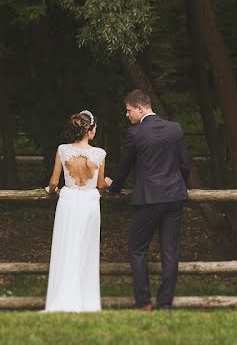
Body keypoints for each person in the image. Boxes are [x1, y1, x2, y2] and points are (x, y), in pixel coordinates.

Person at [109, 89, 191, 311]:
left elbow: (125, 167)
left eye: (128, 111)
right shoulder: (175, 129)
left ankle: (144, 302)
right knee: (170, 252)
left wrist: (114, 188)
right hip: (174, 196)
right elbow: (185, 164)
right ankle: (165, 304)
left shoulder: (135, 134)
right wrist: (179, 186)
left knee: (137, 249)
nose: (127, 115)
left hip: (149, 199)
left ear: (140, 108)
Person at [43, 110, 113, 312]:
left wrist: (50, 190)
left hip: (69, 200)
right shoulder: (99, 154)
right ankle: (84, 297)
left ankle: (63, 296)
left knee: (66, 245)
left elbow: (54, 181)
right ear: (90, 131)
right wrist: (107, 182)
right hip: (89, 202)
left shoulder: (63, 150)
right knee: (86, 247)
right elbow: (100, 184)